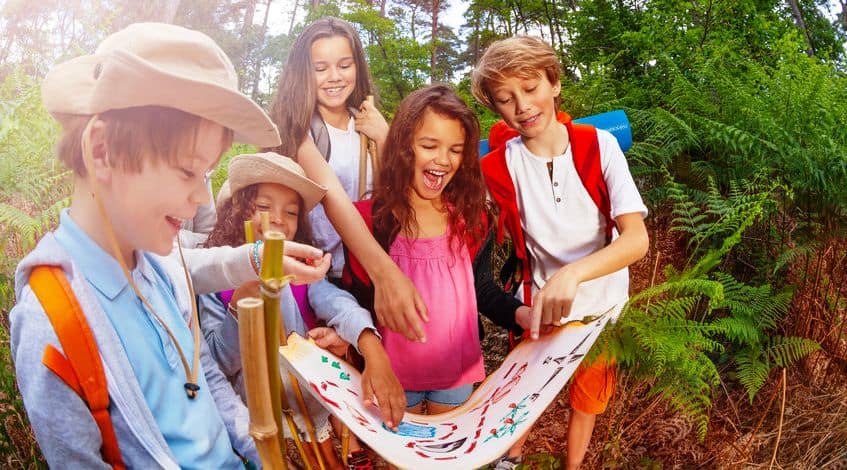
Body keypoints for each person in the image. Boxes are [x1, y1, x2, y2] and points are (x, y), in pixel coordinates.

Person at [9, 23, 287, 467]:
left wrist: (258, 452)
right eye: (186, 171)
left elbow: (201, 374)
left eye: (206, 175)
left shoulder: (158, 263)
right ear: (102, 151)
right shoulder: (54, 320)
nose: (200, 197)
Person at [471, 36, 649, 469]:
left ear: (554, 83)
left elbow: (635, 239)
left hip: (603, 309)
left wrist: (574, 274)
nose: (523, 106)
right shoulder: (499, 167)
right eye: (506, 99)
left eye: (530, 88)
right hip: (542, 307)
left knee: (585, 400)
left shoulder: (599, 146)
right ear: (497, 109)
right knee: (526, 394)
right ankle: (509, 460)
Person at [199, 152, 406, 469]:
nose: (278, 219)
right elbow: (217, 361)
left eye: (291, 211)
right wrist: (241, 304)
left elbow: (339, 304)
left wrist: (370, 344)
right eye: (264, 207)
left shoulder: (302, 274)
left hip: (310, 408)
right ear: (239, 210)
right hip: (255, 420)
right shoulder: (214, 282)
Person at [342, 85, 532, 419]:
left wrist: (520, 314)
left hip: (455, 373)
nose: (443, 160)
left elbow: (482, 288)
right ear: (404, 147)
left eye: (456, 150)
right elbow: (353, 298)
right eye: (429, 145)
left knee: (448, 455)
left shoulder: (470, 219)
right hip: (394, 376)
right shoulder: (369, 223)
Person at [267, 16, 429, 344]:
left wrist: (385, 138)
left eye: (344, 64)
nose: (335, 77)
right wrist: (386, 275)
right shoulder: (302, 130)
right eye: (320, 68)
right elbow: (332, 197)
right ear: (303, 73)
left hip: (368, 267)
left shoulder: (367, 123)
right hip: (323, 275)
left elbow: (395, 196)